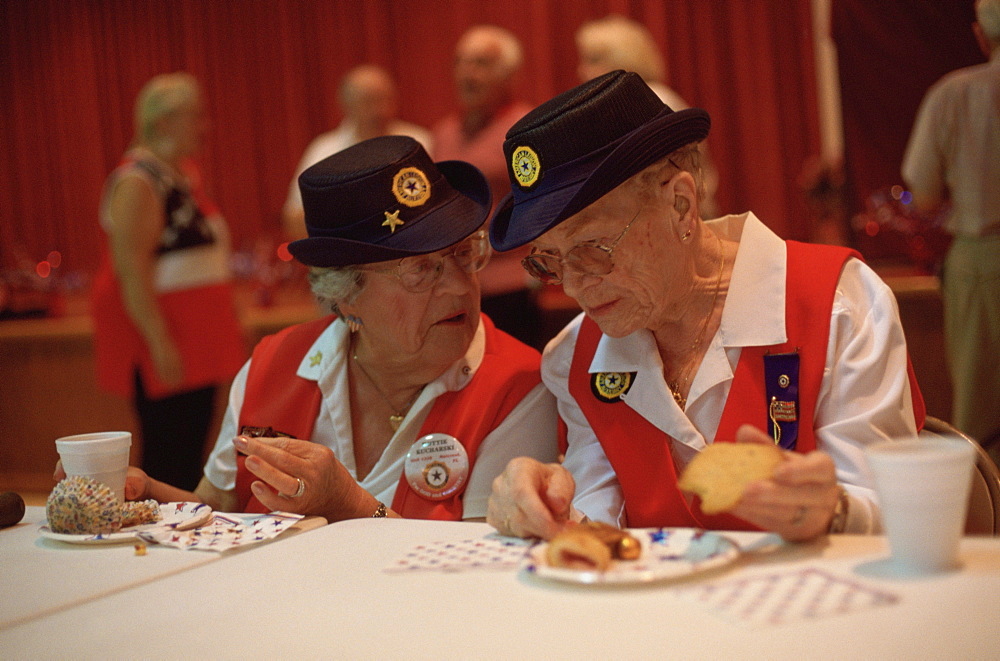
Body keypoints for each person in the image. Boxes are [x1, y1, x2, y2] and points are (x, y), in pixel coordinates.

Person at [486, 71, 925, 543]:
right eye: (550, 259)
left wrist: (834, 510)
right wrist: (545, 510)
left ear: (680, 204)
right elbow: (599, 525)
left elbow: (902, 512)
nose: (573, 285)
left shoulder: (839, 304)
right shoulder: (576, 359)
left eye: (594, 248)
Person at [108, 136, 558, 523]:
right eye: (422, 269)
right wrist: (146, 496)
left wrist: (351, 506)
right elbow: (217, 510)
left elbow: (479, 569)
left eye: (464, 253)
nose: (461, 284)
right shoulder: (275, 365)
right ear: (346, 294)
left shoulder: (518, 386)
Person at [90, 73, 247, 491]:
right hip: (169, 342)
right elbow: (130, 271)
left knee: (191, 446)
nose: (204, 127)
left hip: (198, 340)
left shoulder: (180, 175)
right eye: (195, 117)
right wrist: (160, 343)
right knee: (168, 451)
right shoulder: (138, 181)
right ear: (162, 123)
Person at [902, 0, 1000, 451]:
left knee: (980, 411)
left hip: (979, 263)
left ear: (981, 35)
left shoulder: (953, 94)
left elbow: (921, 192)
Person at [432, 25, 540, 348]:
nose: (467, 74)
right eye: (460, 62)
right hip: (455, 285)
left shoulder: (529, 127)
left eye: (480, 63)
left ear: (510, 75)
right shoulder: (442, 133)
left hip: (513, 286)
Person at [576, 14, 719, 218]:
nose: (581, 71)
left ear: (621, 58)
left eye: (593, 60)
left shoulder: (649, 101)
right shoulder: (643, 99)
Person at [282, 65, 432, 240]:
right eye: (369, 101)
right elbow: (293, 219)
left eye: (386, 99)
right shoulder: (324, 150)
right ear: (346, 104)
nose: (380, 110)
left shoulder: (418, 141)